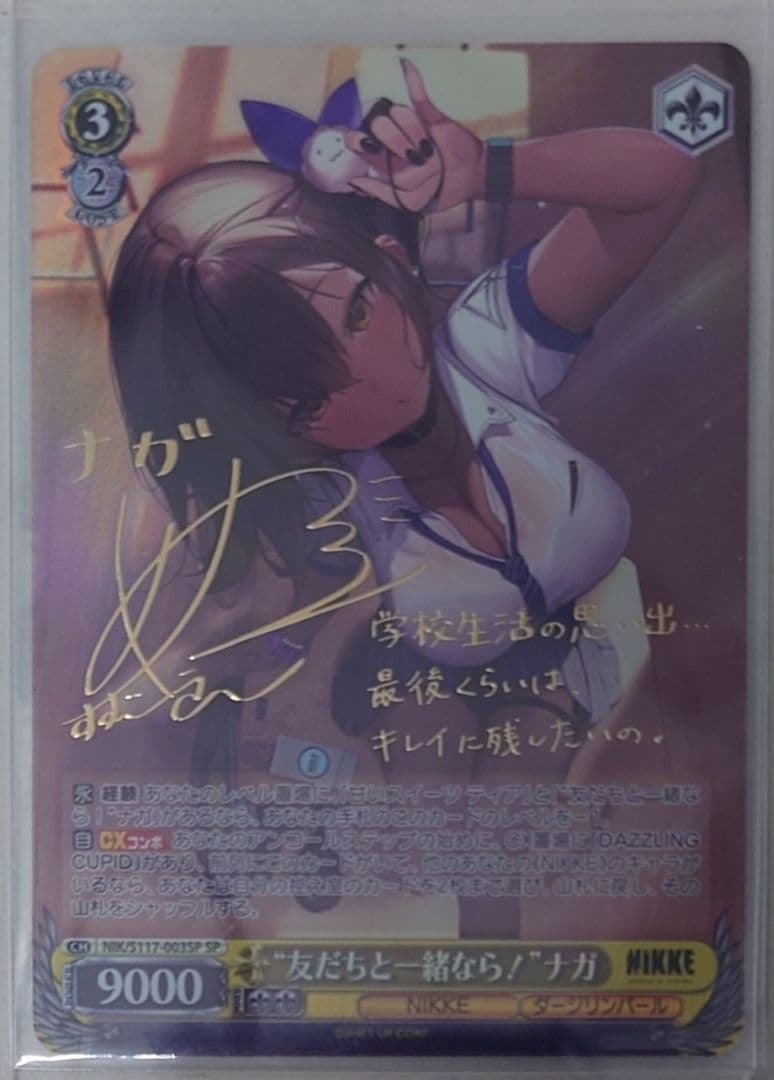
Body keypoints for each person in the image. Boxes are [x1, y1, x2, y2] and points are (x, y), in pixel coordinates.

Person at [108, 60, 701, 933]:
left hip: (576, 662)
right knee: (458, 853)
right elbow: (214, 652)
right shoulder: (317, 498)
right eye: (305, 400)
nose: (373, 383)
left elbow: (664, 178)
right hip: (415, 686)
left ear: (387, 262)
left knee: (506, 855)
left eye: (356, 315)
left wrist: (493, 169)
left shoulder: (489, 347)